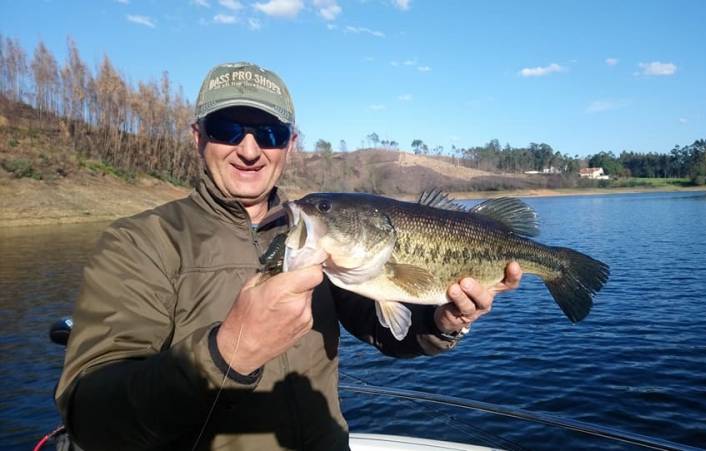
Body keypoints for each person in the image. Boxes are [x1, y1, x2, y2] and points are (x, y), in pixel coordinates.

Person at [55, 61, 522, 451]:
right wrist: (224, 353)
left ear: (290, 144)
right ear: (198, 137)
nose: (250, 150)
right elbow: (92, 416)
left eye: (269, 132)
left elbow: (385, 326)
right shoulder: (140, 243)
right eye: (227, 128)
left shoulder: (321, 237)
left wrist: (440, 323)